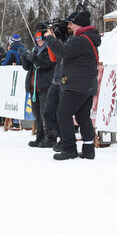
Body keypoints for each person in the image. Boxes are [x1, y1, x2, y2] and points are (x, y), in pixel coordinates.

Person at [44, 10, 101, 160]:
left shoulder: (81, 40)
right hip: (86, 85)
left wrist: (50, 38)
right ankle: (89, 149)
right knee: (83, 117)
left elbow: (62, 51)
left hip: (77, 85)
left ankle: (69, 148)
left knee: (63, 114)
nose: (68, 25)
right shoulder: (88, 39)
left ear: (78, 24)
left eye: (70, 22)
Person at [22, 29, 56, 147]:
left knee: (45, 114)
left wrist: (34, 58)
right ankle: (40, 136)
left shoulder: (49, 49)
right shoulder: (34, 50)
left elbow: (47, 64)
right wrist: (24, 57)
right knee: (37, 114)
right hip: (34, 87)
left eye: (41, 38)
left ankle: (50, 138)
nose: (39, 40)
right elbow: (26, 67)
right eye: (37, 38)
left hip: (44, 86)